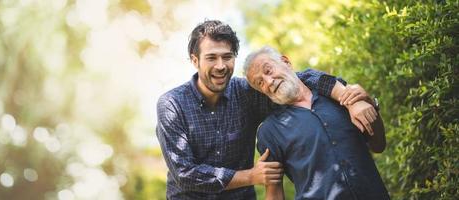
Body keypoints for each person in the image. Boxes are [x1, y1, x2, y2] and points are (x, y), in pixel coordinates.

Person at [156, 20, 375, 199]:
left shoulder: (246, 93)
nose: (221, 65)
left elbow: (298, 80)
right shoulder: (172, 105)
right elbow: (184, 173)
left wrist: (348, 97)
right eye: (211, 58)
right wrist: (250, 176)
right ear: (195, 61)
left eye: (227, 56)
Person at [243, 46, 389, 200]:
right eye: (260, 83)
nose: (269, 82)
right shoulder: (269, 132)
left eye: (268, 71)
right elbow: (274, 194)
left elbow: (379, 145)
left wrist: (369, 104)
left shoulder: (340, 96)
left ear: (285, 62)